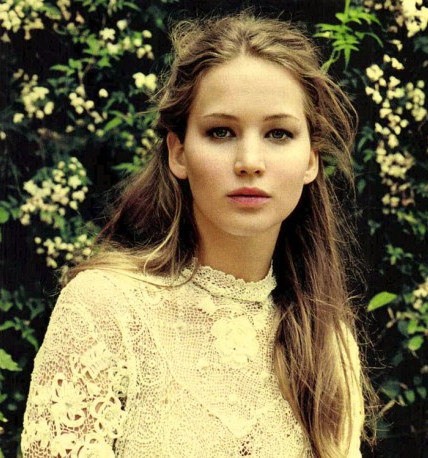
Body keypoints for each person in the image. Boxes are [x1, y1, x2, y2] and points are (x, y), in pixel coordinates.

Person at [21, 11, 377, 458]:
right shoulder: (105, 309)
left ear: (311, 160)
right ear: (179, 152)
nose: (250, 161)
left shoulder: (328, 343)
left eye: (278, 133)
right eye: (220, 132)